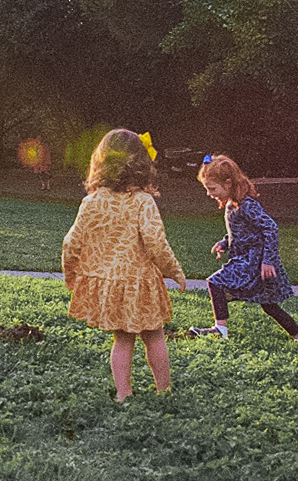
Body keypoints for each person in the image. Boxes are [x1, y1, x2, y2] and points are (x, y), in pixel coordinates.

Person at [62, 129, 187, 401]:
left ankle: (123, 394)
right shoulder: (143, 202)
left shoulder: (91, 202)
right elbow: (156, 243)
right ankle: (164, 392)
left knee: (122, 340)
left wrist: (70, 272)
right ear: (142, 165)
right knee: (154, 336)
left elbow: (71, 242)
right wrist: (174, 271)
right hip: (140, 283)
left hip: (113, 287)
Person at [190, 154, 298, 343]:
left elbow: (270, 228)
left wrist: (268, 261)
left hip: (253, 261)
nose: (209, 193)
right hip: (248, 260)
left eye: (212, 188)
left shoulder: (247, 205)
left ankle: (220, 330)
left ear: (228, 183)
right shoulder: (232, 204)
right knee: (269, 304)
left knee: (216, 282)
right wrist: (224, 243)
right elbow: (240, 233)